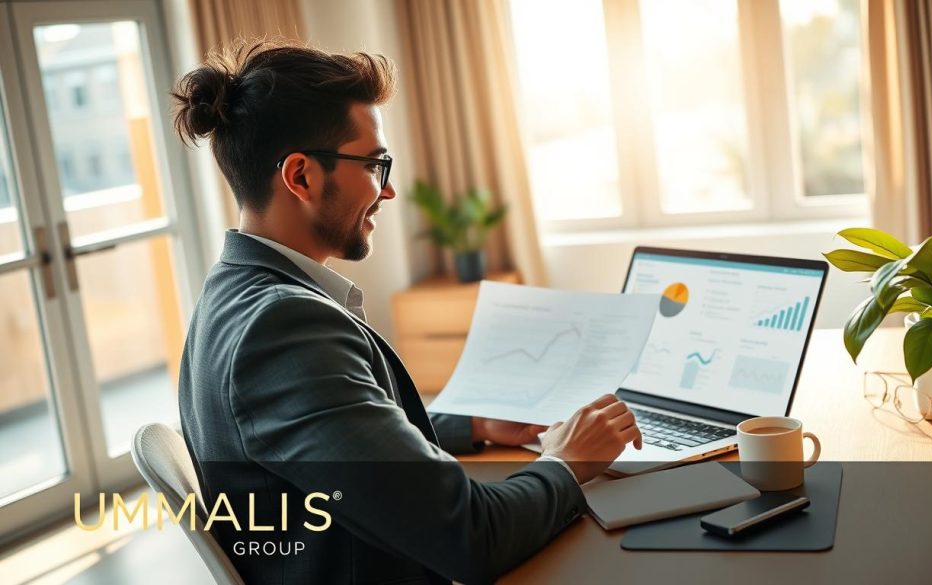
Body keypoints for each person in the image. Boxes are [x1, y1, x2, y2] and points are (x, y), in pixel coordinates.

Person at [172, 41, 642, 585]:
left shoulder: (230, 289)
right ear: (300, 177)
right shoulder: (282, 328)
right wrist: (565, 462)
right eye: (374, 164)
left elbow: (334, 433)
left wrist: (474, 425)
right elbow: (469, 536)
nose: (389, 190)